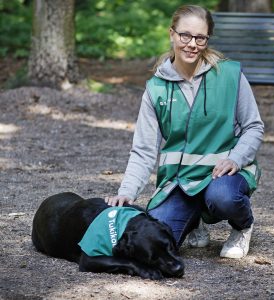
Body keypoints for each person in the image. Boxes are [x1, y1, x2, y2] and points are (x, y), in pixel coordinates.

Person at [105, 4, 264, 259]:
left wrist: (236, 158)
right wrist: (126, 192)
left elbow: (254, 126)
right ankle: (194, 221)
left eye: (200, 38)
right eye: (185, 35)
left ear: (207, 39)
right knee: (156, 237)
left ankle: (242, 226)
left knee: (223, 197)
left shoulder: (229, 75)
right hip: (182, 182)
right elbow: (144, 150)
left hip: (224, 176)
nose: (192, 44)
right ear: (172, 34)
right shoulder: (156, 89)